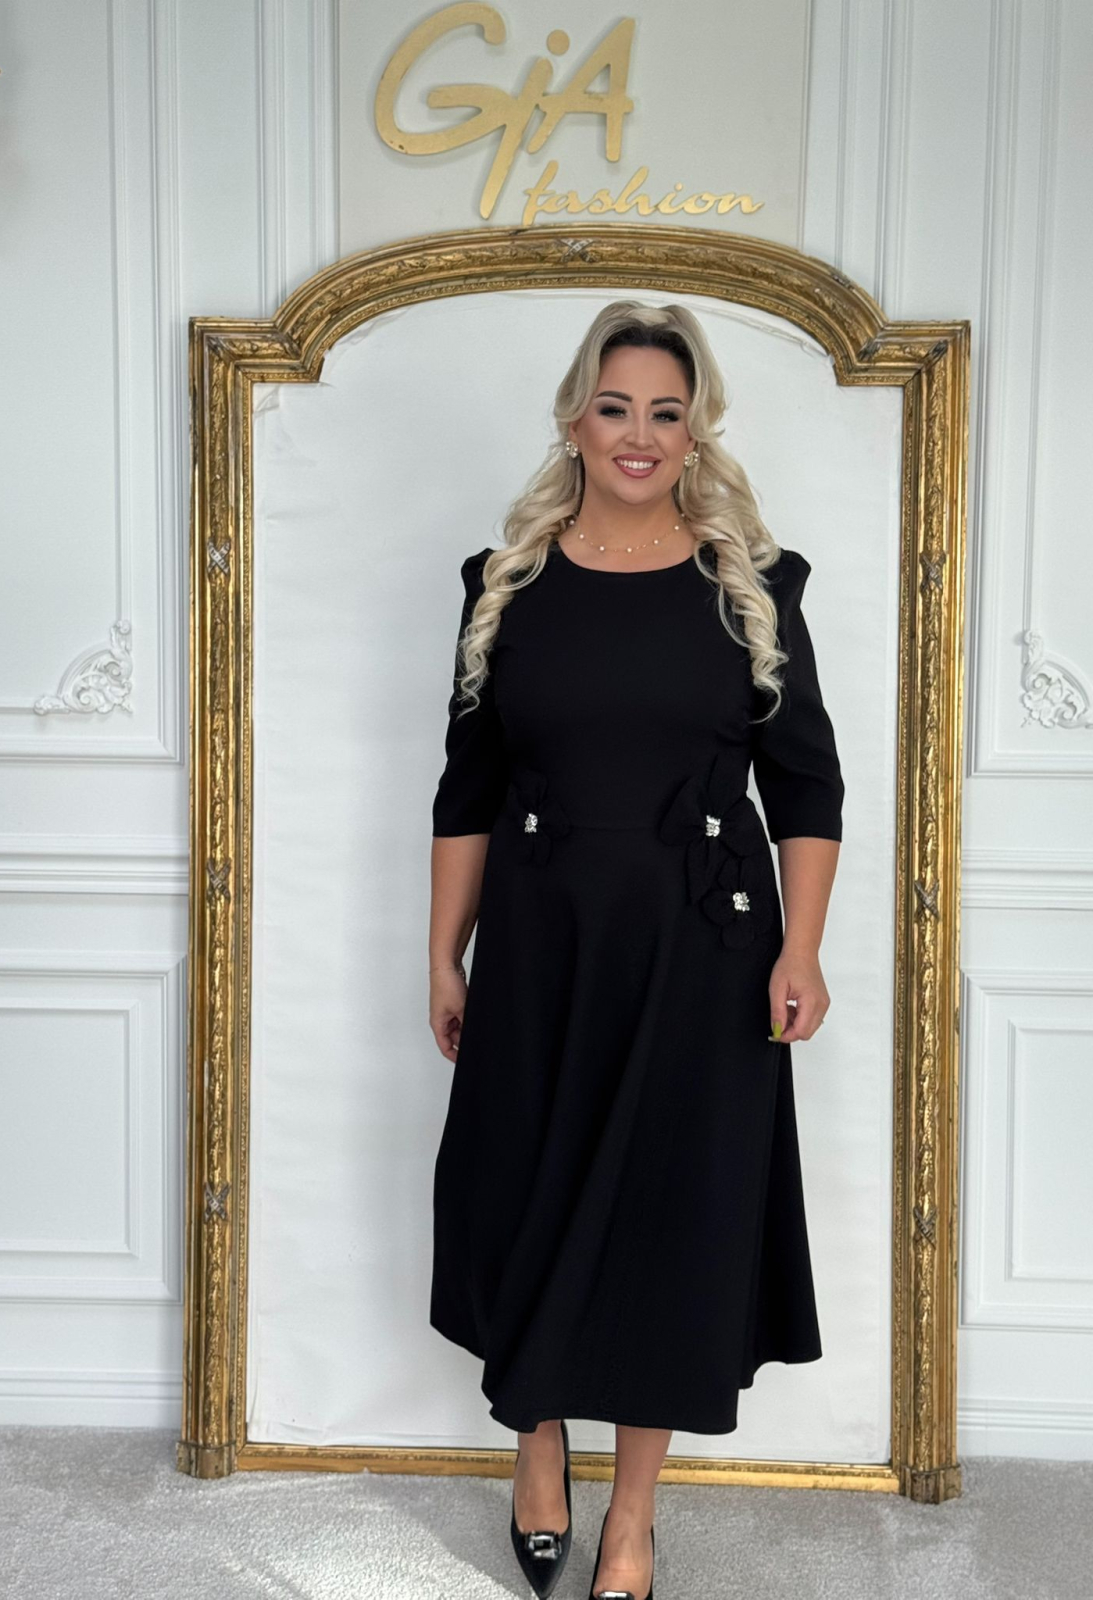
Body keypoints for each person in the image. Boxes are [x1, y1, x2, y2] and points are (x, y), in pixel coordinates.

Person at [426, 300, 844, 1600]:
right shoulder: (507, 586)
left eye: (668, 412)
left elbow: (808, 786)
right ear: (575, 419)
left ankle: (634, 1521)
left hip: (704, 948)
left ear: (696, 429)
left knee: (675, 1217)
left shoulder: (751, 587)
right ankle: (536, 1438)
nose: (640, 435)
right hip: (543, 941)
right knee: (524, 1192)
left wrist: (804, 950)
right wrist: (444, 956)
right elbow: (467, 789)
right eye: (616, 408)